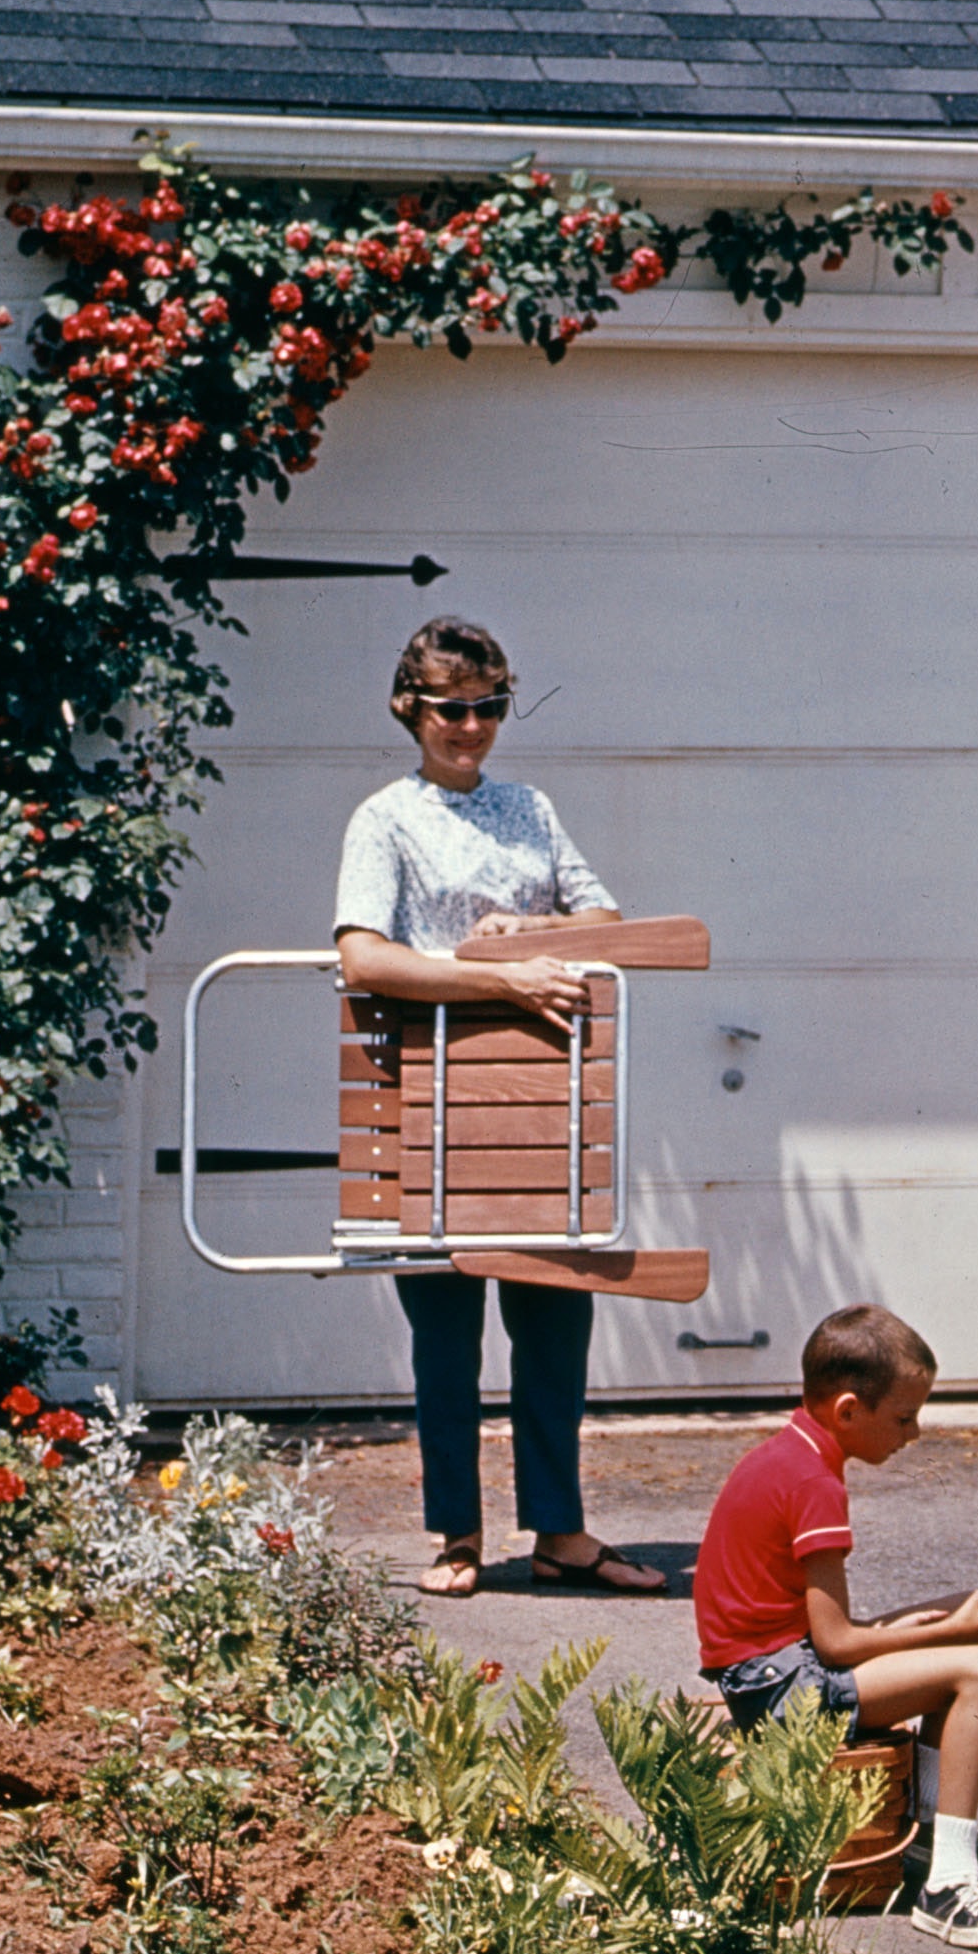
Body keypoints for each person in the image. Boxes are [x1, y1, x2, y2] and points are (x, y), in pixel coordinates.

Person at [331, 614, 658, 1600]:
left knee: (554, 1319)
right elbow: (364, 953)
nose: (468, 727)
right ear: (409, 709)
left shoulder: (529, 807)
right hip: (428, 1095)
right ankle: (456, 1533)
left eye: (486, 707)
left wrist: (537, 929)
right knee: (445, 1331)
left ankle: (559, 1530)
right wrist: (499, 981)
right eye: (448, 708)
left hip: (543, 1099)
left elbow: (605, 919)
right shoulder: (383, 817)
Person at [695, 1302, 978, 1954]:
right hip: (778, 1687)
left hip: (764, 1671)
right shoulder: (815, 1484)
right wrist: (946, 1633)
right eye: (903, 1416)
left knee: (958, 1649)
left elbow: (829, 1635)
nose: (913, 1432)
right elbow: (838, 1642)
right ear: (848, 1410)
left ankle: (931, 1838)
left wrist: (944, 1618)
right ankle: (947, 1887)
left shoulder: (785, 1456)